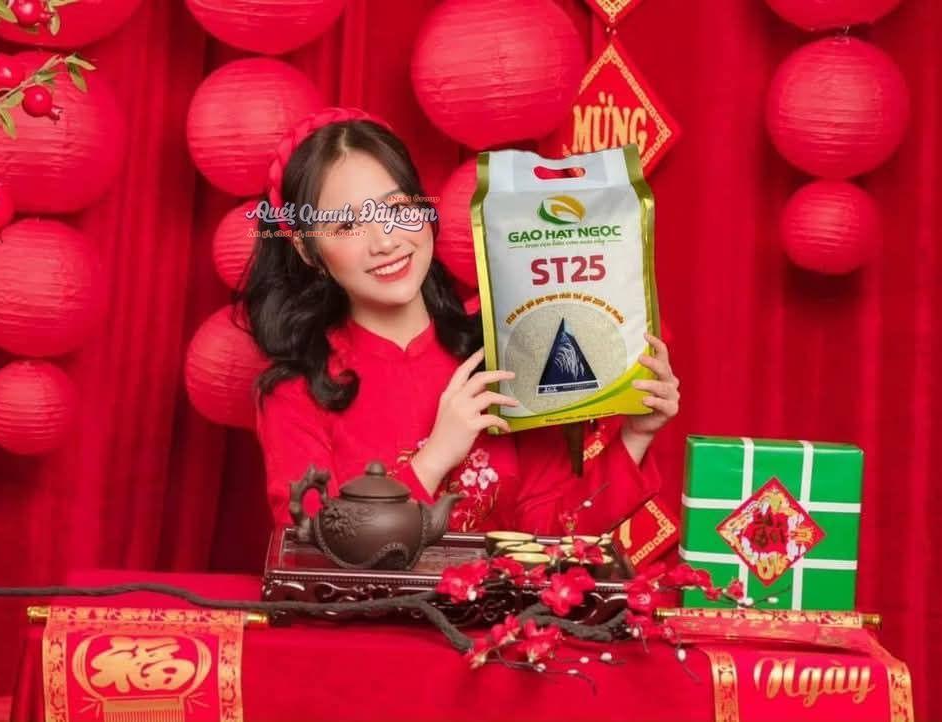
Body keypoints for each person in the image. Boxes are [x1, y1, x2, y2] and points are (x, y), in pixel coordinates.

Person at [241, 108, 680, 536]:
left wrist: (636, 437)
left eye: (396, 209)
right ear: (308, 251)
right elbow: (314, 547)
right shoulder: (293, 394)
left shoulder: (500, 352)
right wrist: (434, 458)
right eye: (347, 226)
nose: (385, 241)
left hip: (500, 591)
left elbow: (553, 531)